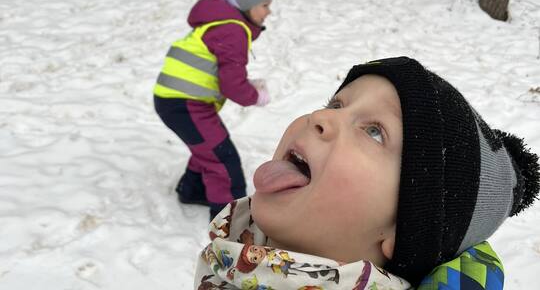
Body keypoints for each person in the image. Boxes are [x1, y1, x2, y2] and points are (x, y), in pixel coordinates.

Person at [194, 57, 540, 289]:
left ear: (399, 231)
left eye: (374, 131)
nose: (321, 117)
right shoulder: (230, 254)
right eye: (337, 105)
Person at [153, 0, 277, 219]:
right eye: (265, 5)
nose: (268, 12)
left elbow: (224, 71)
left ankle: (193, 190)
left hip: (178, 101)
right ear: (247, 3)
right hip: (185, 104)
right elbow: (231, 85)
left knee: (209, 148)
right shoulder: (233, 30)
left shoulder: (222, 23)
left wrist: (247, 85)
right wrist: (256, 95)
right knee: (222, 159)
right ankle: (229, 221)